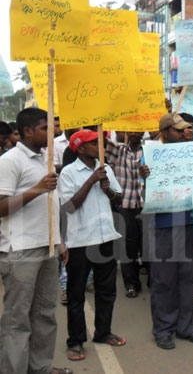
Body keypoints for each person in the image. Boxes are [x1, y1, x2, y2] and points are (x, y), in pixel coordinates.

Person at [0, 108, 71, 374]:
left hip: (48, 246)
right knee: (17, 321)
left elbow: (52, 205)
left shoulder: (48, 158)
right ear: (27, 131)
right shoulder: (10, 161)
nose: (51, 132)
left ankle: (40, 367)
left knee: (44, 314)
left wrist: (60, 242)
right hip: (20, 251)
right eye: (45, 127)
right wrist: (37, 189)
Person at [59, 129, 126, 361]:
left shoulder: (105, 168)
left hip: (105, 238)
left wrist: (107, 189)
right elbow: (68, 206)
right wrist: (91, 181)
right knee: (76, 294)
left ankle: (103, 332)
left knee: (106, 291)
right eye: (93, 143)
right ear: (80, 148)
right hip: (79, 241)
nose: (101, 146)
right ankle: (76, 341)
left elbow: (119, 200)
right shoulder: (68, 172)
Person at [141, 113, 193, 350]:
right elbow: (145, 196)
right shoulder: (150, 158)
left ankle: (185, 327)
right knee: (164, 280)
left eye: (185, 129)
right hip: (163, 226)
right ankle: (163, 329)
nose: (183, 133)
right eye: (178, 130)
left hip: (189, 222)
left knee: (188, 277)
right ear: (165, 132)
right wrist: (145, 178)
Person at [105, 131, 146, 298]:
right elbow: (101, 140)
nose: (135, 133)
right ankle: (131, 283)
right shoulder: (119, 151)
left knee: (147, 244)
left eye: (138, 129)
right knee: (127, 246)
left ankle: (153, 279)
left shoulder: (151, 151)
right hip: (125, 204)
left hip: (146, 204)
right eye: (131, 129)